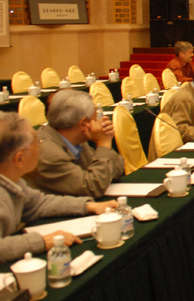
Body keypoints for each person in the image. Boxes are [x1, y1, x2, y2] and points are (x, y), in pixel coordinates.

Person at [0, 113, 117, 262]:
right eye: (37, 143)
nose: (41, 147)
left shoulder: (14, 181)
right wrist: (42, 241)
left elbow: (39, 203)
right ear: (20, 159)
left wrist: (88, 206)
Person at [25, 90, 125, 199]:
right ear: (83, 124)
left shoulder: (78, 139)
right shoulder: (48, 153)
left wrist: (104, 143)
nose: (98, 123)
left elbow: (117, 169)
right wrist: (103, 143)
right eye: (95, 119)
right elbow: (91, 187)